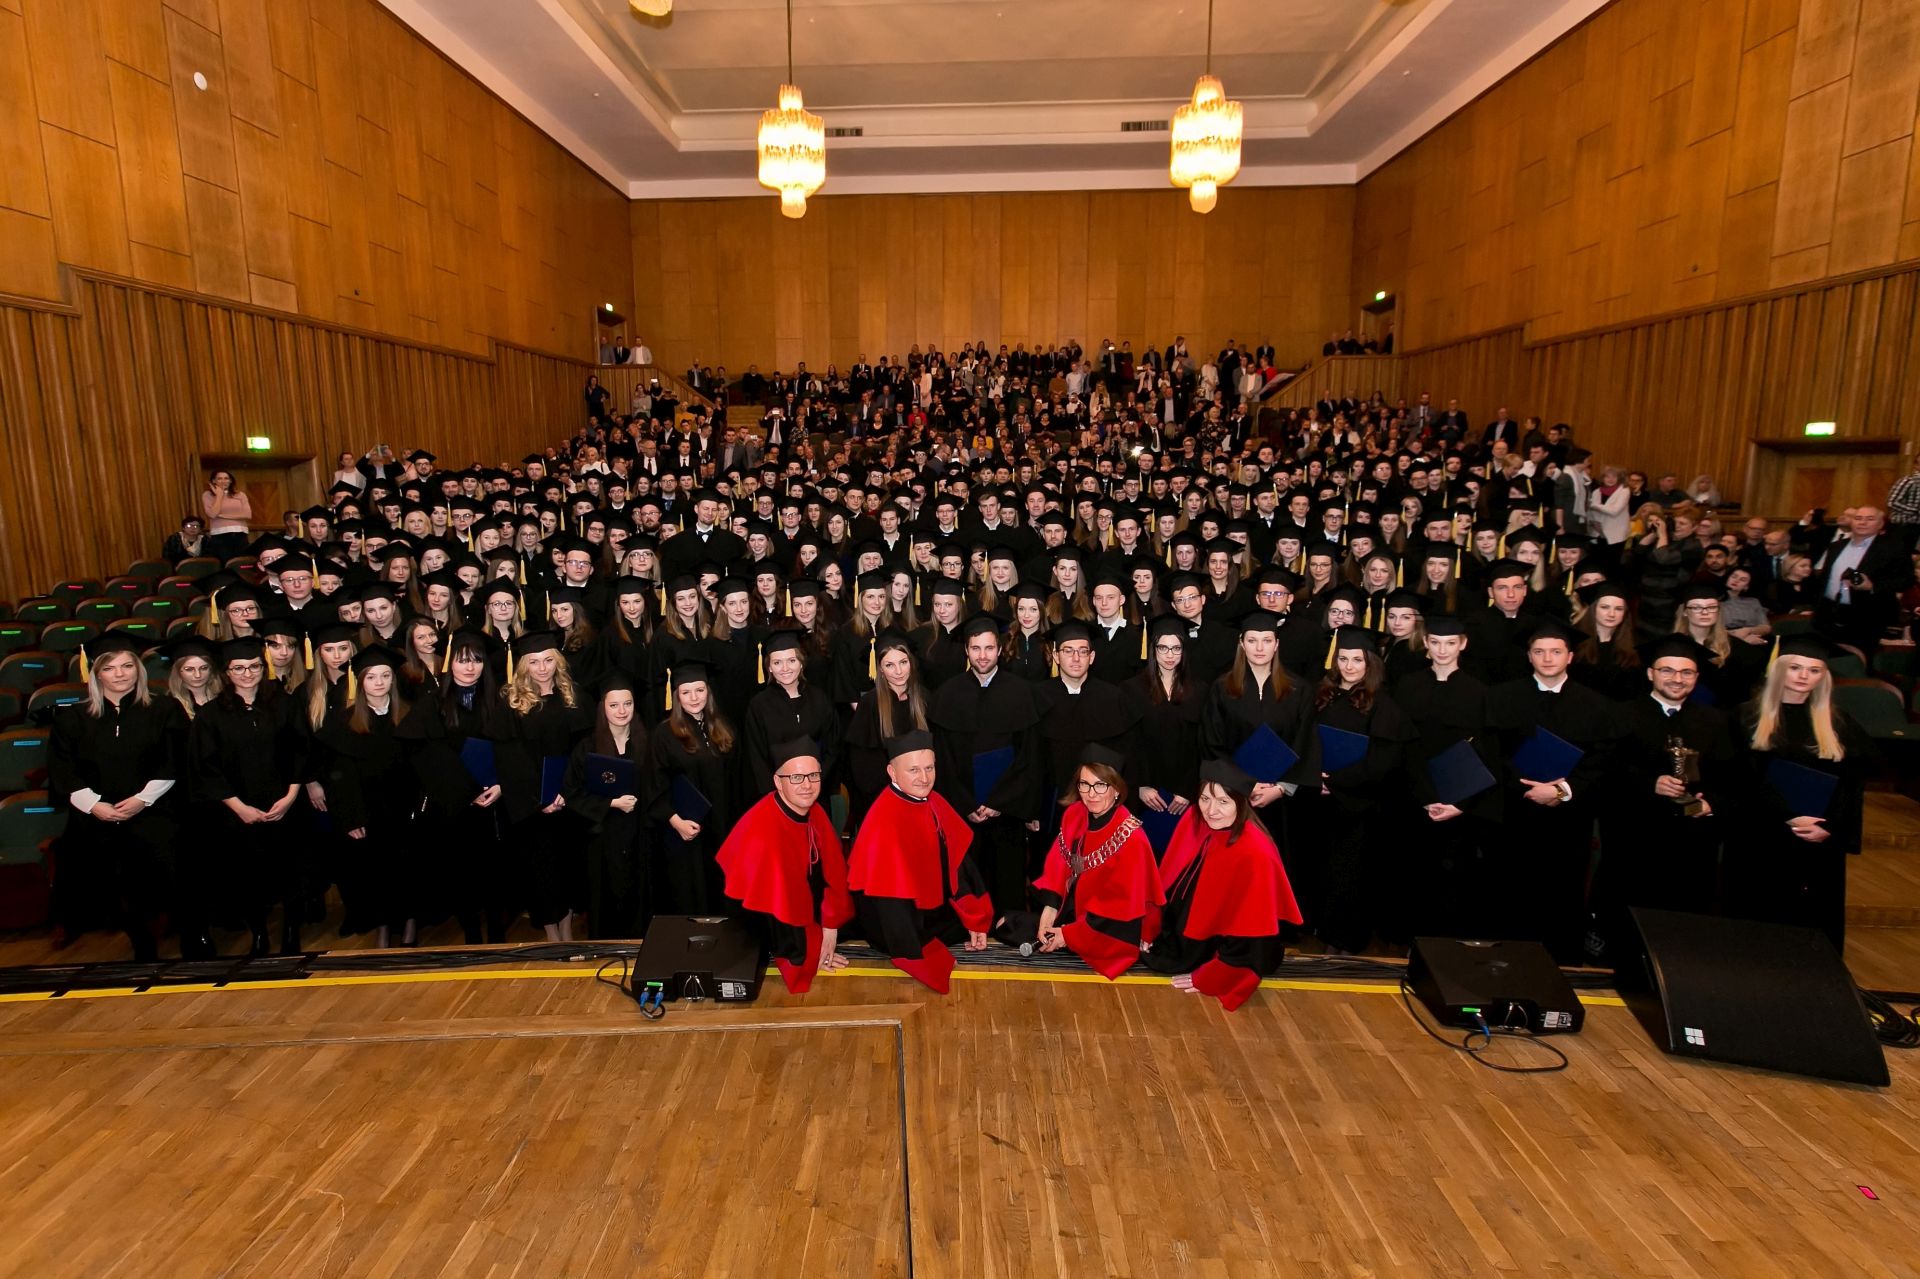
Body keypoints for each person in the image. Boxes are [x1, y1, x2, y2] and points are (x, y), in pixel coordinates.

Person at [1484, 619, 1617, 963]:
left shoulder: (1596, 705)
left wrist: (1561, 790)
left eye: (1556, 652)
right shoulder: (1501, 697)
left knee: (1562, 892)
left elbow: (1602, 760)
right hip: (1514, 813)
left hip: (1568, 819)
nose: (1547, 658)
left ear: (1570, 656)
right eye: (1539, 651)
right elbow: (1491, 751)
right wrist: (1526, 787)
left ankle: (1560, 965)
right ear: (1529, 656)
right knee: (1510, 889)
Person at [46, 636, 188, 960]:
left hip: (154, 808)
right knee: (105, 877)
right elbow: (62, 767)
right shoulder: (73, 717)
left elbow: (172, 760)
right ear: (96, 674)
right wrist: (94, 805)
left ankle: (188, 937)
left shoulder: (164, 709)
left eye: (127, 666)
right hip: (97, 814)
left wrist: (142, 800)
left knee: (169, 864)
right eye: (109, 668)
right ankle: (140, 941)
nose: (120, 674)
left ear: (139, 669)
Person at [1729, 634, 1871, 952]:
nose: (1804, 676)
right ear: (1779, 670)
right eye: (1795, 667)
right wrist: (1788, 817)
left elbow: (1851, 784)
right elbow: (1740, 778)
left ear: (1824, 676)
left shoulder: (1839, 723)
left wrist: (1830, 827)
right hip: (1762, 836)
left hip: (1817, 839)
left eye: (1814, 670)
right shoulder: (1746, 716)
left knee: (1811, 923)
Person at [1144, 760, 1301, 1010]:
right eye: (1205, 799)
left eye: (1223, 801)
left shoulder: (1256, 852)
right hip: (1182, 936)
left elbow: (1254, 934)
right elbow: (1171, 880)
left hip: (1227, 950)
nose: (1211, 810)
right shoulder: (1195, 818)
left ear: (1241, 803)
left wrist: (1215, 974)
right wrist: (1150, 925)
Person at [846, 731, 994, 993]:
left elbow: (957, 865)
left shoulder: (933, 801)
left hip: (926, 906)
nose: (924, 778)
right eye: (913, 770)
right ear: (892, 772)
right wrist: (919, 951)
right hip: (894, 922)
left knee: (994, 920)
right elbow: (889, 900)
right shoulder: (884, 820)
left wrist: (974, 917)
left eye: (929, 768)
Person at [190, 637, 308, 956]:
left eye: (254, 666)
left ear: (263, 667)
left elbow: (301, 750)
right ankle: (258, 932)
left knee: (291, 870)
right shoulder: (211, 715)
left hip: (285, 804)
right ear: (227, 673)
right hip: (238, 809)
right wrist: (239, 808)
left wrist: (291, 795)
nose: (247, 673)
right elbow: (206, 767)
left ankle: (291, 929)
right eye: (238, 668)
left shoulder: (285, 704)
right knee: (247, 874)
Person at [715, 739, 853, 994]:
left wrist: (831, 926)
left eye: (813, 775)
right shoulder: (764, 830)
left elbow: (833, 871)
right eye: (796, 777)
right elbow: (780, 910)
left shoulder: (814, 810)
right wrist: (816, 949)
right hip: (766, 926)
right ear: (778, 782)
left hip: (804, 912)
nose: (807, 785)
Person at [1017, 745, 1162, 979]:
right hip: (1074, 909)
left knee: (1034, 934)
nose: (1091, 794)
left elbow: (1118, 904)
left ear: (1116, 789)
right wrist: (1050, 909)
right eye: (1084, 784)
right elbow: (1058, 864)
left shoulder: (1132, 837)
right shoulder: (1074, 814)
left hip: (1110, 925)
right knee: (1007, 924)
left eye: (1100, 785)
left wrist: (1069, 935)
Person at [315, 646, 419, 948]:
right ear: (360, 682)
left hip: (407, 807)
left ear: (393, 679)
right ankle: (383, 923)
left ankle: (411, 920)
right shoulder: (345, 722)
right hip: (369, 809)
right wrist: (351, 817)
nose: (379, 682)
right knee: (376, 870)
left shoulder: (410, 715)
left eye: (385, 675)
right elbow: (340, 779)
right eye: (371, 677)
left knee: (409, 866)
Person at [496, 631, 591, 942]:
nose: (542, 668)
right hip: (533, 804)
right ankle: (552, 933)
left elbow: (583, 748)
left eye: (548, 660)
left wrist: (567, 791)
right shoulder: (511, 702)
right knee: (542, 871)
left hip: (568, 800)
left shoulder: (574, 696)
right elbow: (510, 757)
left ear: (558, 662)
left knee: (569, 866)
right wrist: (540, 798)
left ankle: (567, 928)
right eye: (534, 662)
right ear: (523, 665)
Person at [563, 675, 654, 939]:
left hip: (640, 835)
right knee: (605, 896)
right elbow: (572, 793)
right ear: (603, 708)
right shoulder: (587, 747)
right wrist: (611, 803)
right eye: (614, 705)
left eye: (627, 704)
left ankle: (641, 946)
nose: (621, 711)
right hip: (603, 837)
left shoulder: (648, 743)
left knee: (640, 894)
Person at [647, 663, 737, 914]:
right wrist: (676, 822)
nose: (694, 698)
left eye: (699, 690)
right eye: (686, 692)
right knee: (691, 892)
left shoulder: (723, 727)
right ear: (676, 696)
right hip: (686, 830)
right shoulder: (664, 734)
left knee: (721, 889)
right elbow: (655, 784)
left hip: (721, 827)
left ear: (709, 692)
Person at [201, 469, 252, 561]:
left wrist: (223, 516)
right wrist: (219, 495)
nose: (223, 481)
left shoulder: (240, 495)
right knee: (225, 563)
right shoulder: (207, 495)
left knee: (242, 562)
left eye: (226, 478)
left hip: (240, 533)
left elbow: (248, 515)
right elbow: (212, 514)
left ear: (230, 481)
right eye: (219, 478)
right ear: (214, 481)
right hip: (220, 534)